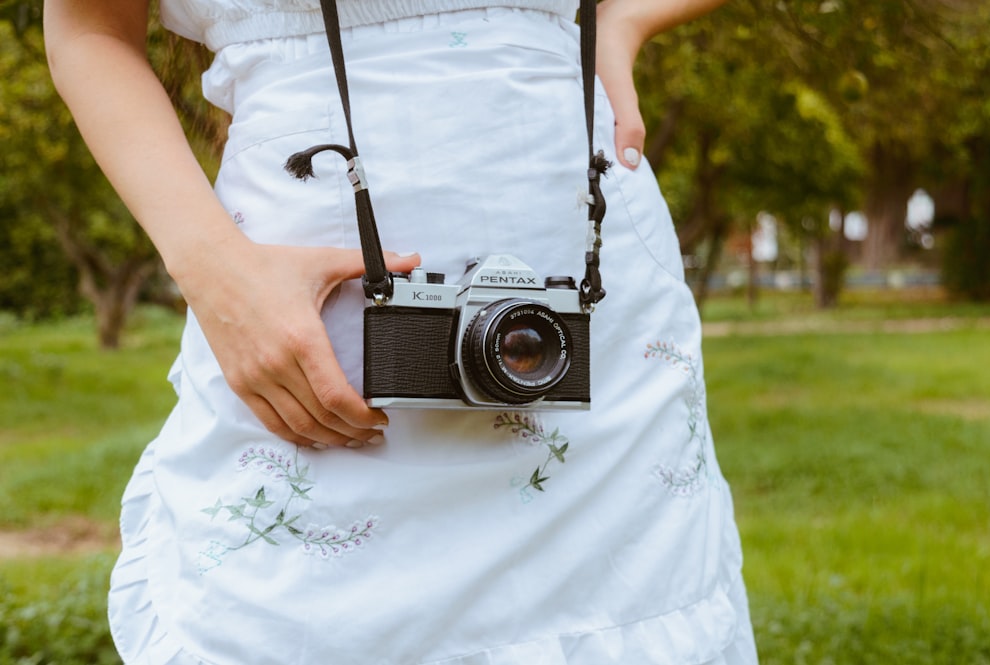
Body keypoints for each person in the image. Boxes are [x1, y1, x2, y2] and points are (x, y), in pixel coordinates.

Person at [45, 0, 758, 663]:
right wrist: (215, 274)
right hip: (298, 345)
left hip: (599, 302)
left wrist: (620, 19)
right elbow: (88, 25)